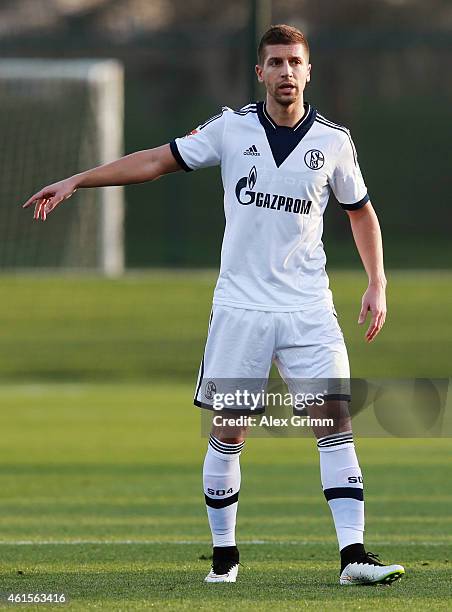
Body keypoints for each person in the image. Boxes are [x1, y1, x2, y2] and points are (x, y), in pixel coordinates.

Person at [23, 24, 405, 586]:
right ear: (260, 72)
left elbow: (360, 212)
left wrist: (378, 282)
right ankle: (224, 560)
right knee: (230, 431)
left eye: (294, 62)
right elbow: (156, 161)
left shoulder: (334, 141)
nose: (285, 72)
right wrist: (77, 180)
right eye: (274, 62)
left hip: (308, 311)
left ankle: (353, 556)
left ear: (308, 70)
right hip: (241, 311)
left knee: (335, 423)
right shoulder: (231, 129)